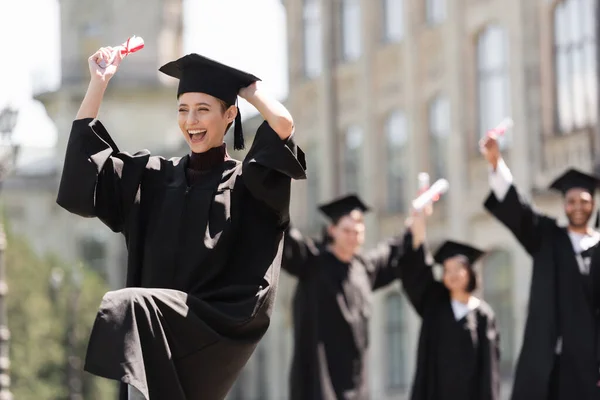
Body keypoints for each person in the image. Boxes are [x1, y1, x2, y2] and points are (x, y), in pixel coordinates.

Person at [56, 47, 306, 400]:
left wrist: (249, 89)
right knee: (135, 319)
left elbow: (282, 127)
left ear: (230, 114)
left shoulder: (247, 185)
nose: (191, 121)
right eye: (183, 110)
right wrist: (98, 83)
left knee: (129, 306)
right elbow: (87, 170)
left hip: (211, 328)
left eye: (203, 110)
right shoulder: (153, 178)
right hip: (156, 328)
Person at [480, 133, 600, 400]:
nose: (578, 207)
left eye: (584, 201)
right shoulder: (547, 237)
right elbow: (519, 210)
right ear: (564, 205)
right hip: (548, 362)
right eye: (571, 201)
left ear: (593, 203)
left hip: (590, 365)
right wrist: (496, 163)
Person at [281, 194, 421, 400]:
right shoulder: (312, 263)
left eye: (358, 231)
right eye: (347, 231)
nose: (353, 236)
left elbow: (393, 252)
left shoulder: (363, 269)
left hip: (355, 383)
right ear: (332, 231)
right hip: (319, 383)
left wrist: (415, 224)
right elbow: (286, 238)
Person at [400, 209, 500, 400]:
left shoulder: (483, 316)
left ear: (469, 272)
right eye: (447, 270)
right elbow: (418, 273)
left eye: (457, 269)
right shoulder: (435, 305)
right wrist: (418, 230)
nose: (452, 275)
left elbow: (489, 372)